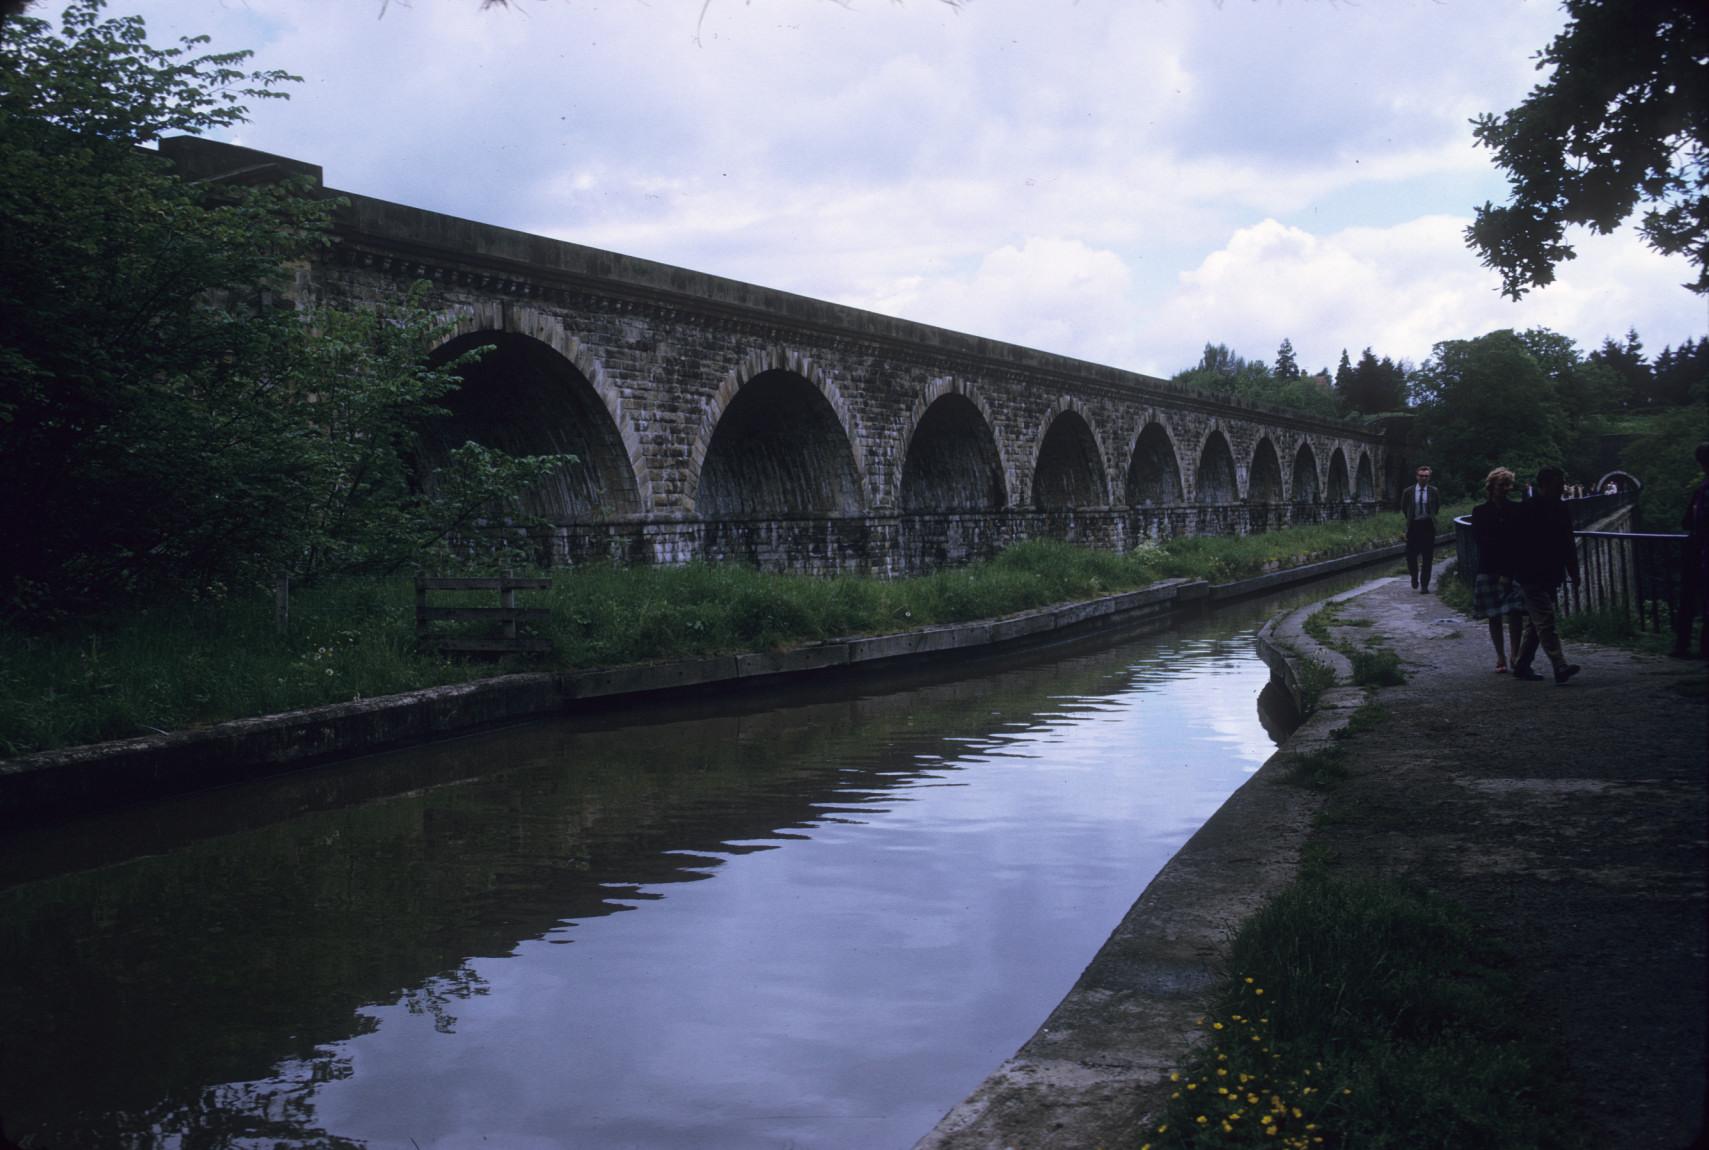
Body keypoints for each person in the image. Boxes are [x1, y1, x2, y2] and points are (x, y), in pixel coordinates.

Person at [1511, 465, 1582, 684]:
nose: (1562, 486)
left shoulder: (1542, 508)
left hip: (1544, 572)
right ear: (1547, 484)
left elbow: (1567, 543)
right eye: (1559, 482)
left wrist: (1573, 570)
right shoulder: (1535, 508)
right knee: (1545, 619)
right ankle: (1559, 665)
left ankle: (1522, 665)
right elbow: (1566, 543)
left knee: (1536, 623)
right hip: (1533, 573)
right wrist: (1573, 571)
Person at [1471, 467, 1526, 672]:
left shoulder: (1517, 509)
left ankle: (1515, 654)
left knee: (1515, 613)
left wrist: (1508, 570)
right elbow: (1481, 541)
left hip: (1511, 568)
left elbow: (1519, 542)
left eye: (1508, 484)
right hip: (1489, 567)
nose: (1506, 489)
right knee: (1494, 615)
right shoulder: (1480, 512)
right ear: (1491, 487)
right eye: (1502, 485)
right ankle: (1500, 656)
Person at [1669, 442, 1709, 659]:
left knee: (1688, 600)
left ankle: (1682, 644)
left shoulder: (1701, 490)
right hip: (1702, 551)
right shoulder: (1703, 490)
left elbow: (1688, 522)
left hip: (1696, 549)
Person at [1402, 463, 1440, 593]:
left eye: (1426, 476)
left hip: (1428, 525)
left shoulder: (1434, 491)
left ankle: (1424, 585)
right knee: (1410, 555)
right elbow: (1404, 508)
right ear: (1416, 476)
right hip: (1414, 525)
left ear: (1429, 478)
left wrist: (1431, 518)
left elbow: (1437, 507)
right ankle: (1414, 576)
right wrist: (1411, 519)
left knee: (1427, 557)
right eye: (1421, 476)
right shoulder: (1408, 492)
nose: (1423, 478)